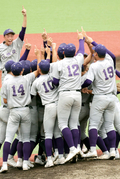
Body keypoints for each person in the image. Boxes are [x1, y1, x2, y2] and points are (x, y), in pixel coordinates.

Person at [0, 46, 41, 173]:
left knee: (8, 138)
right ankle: (25, 163)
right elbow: (39, 70)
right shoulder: (26, 78)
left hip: (14, 112)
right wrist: (39, 55)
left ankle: (5, 164)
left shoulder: (6, 82)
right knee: (26, 138)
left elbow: (5, 100)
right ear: (22, 71)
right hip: (26, 111)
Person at [81, 30, 117, 159]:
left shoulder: (94, 67)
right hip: (112, 98)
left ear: (96, 54)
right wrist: (91, 41)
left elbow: (89, 81)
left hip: (100, 98)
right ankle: (112, 151)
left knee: (93, 125)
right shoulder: (110, 62)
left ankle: (92, 150)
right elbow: (111, 54)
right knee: (109, 125)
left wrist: (79, 87)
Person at [51, 30, 85, 163]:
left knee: (62, 124)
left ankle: (72, 149)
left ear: (63, 53)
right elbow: (81, 50)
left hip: (65, 94)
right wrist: (81, 38)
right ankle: (77, 147)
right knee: (73, 124)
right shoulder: (78, 60)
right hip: (77, 95)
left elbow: (54, 82)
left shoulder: (58, 64)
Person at [0, 6, 27, 83]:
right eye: (8, 36)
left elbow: (23, 31)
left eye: (12, 36)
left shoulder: (17, 43)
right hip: (5, 75)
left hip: (17, 73)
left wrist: (25, 16)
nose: (10, 38)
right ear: (4, 37)